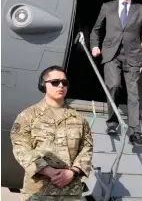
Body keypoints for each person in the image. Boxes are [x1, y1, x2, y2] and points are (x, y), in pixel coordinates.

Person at [90, 0, 142, 146]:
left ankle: (135, 132)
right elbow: (96, 30)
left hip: (132, 55)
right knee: (113, 85)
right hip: (111, 54)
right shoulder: (108, 7)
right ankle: (112, 122)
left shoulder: (140, 9)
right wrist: (94, 45)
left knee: (134, 94)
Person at [10, 65, 93, 201]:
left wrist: (72, 172)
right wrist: (46, 169)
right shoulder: (28, 116)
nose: (61, 86)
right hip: (38, 191)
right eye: (55, 82)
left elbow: (86, 148)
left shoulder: (79, 119)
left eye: (64, 83)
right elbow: (21, 147)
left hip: (70, 193)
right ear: (43, 85)